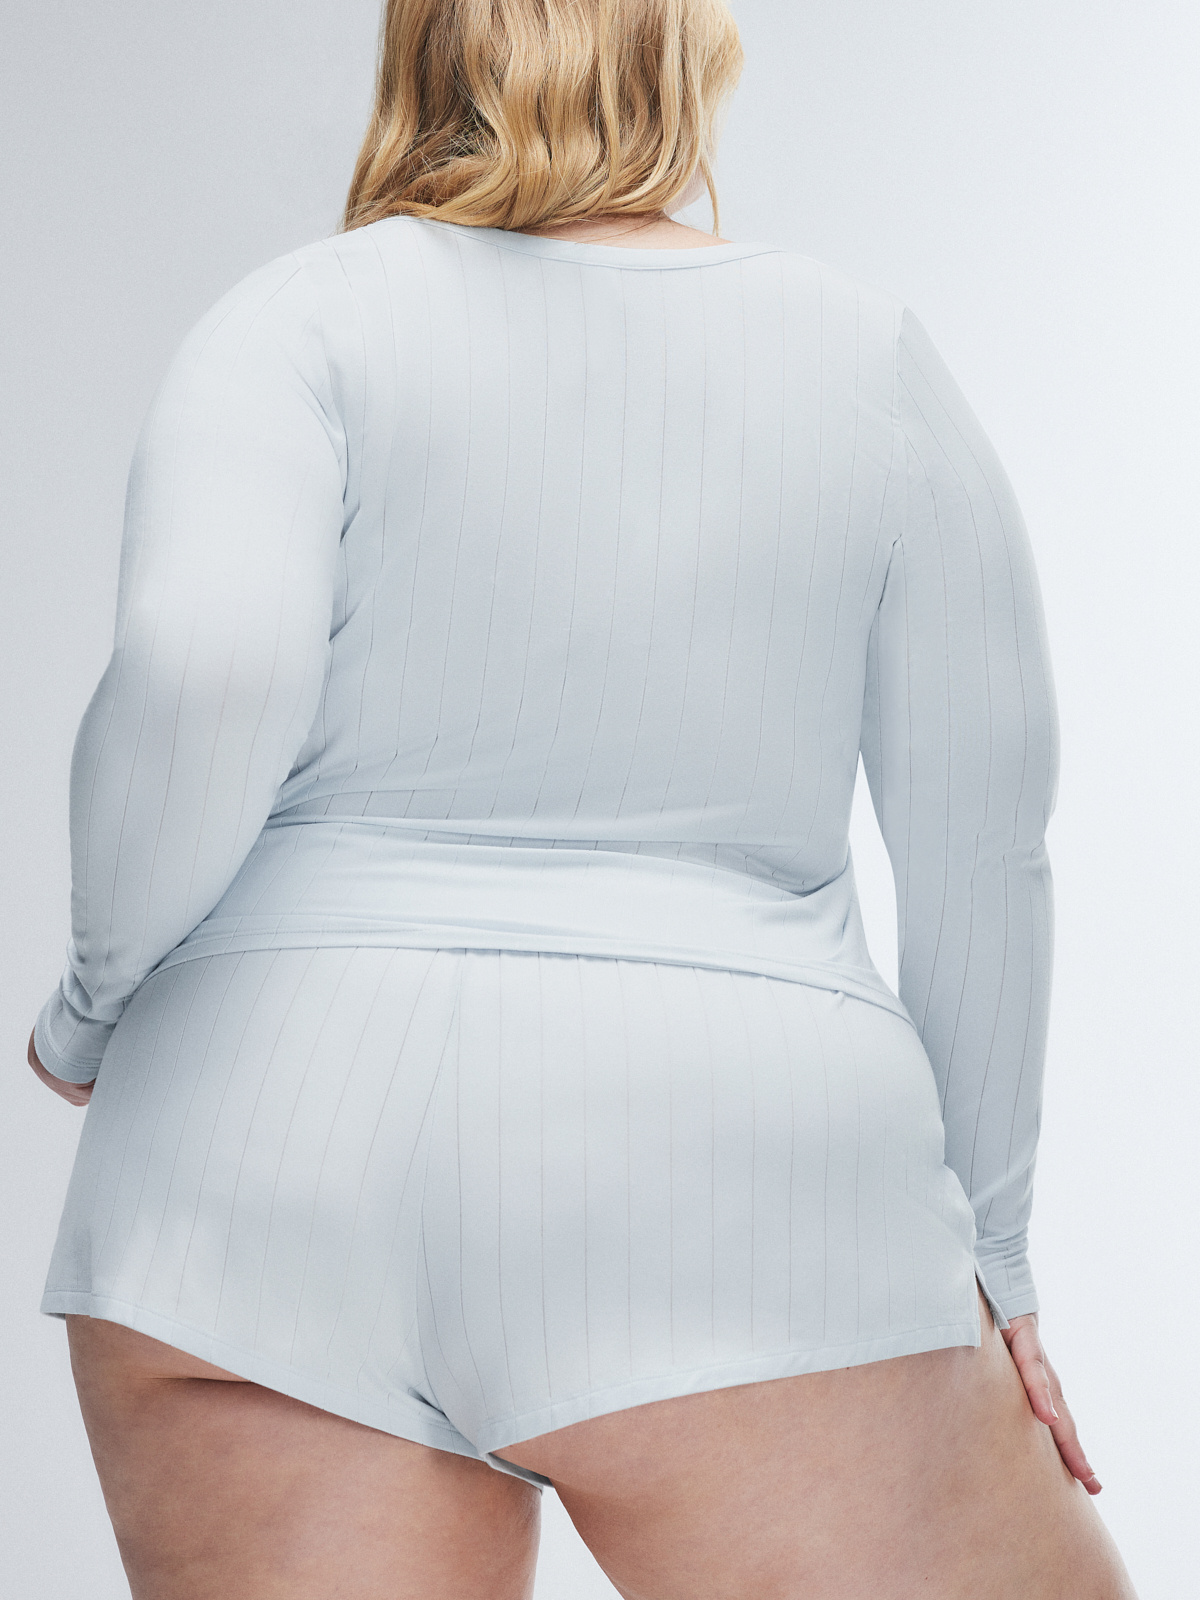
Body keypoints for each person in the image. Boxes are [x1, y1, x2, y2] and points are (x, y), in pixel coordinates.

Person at [27, 1, 1138, 1595]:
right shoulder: (864, 358)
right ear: (694, 55)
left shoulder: (293, 322)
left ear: (423, 53)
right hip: (740, 1186)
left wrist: (90, 1005)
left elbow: (202, 671)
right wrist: (997, 1249)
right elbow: (980, 845)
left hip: (251, 1175)